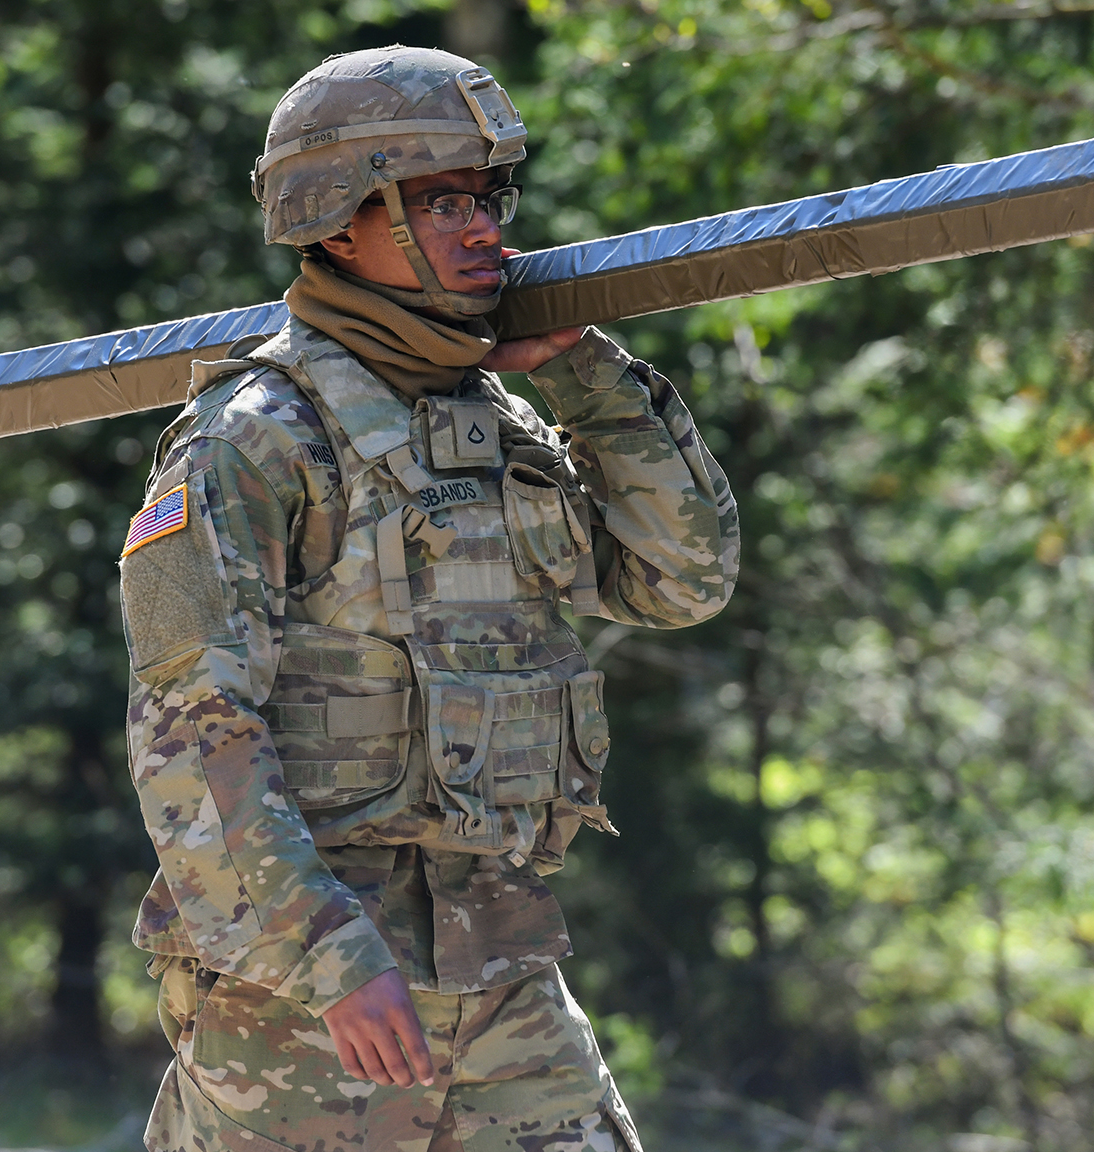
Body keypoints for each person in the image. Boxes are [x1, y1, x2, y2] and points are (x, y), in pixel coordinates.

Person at [119, 44, 739, 1152]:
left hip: (497, 961)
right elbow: (189, 738)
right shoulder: (251, 442)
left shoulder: (492, 422)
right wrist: (328, 958)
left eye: (489, 198)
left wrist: (590, 381)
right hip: (305, 998)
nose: (484, 228)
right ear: (335, 218)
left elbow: (678, 582)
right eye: (442, 202)